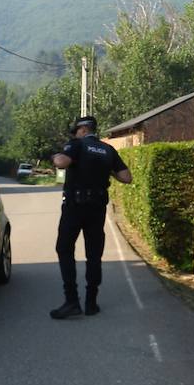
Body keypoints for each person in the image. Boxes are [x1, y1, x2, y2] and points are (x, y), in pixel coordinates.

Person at [49, 115, 132, 319]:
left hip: (75, 208)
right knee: (94, 254)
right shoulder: (108, 150)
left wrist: (54, 156)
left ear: (83, 130)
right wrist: (106, 169)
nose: (75, 135)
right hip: (97, 209)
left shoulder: (77, 145)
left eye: (76, 131)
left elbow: (61, 162)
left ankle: (72, 301)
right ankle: (91, 302)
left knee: (64, 249)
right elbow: (126, 177)